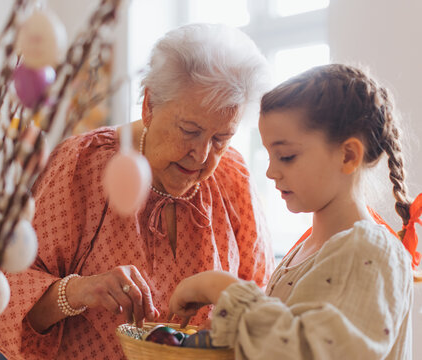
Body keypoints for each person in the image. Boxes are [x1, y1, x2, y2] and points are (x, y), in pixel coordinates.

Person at [0, 23, 275, 359]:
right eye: (190, 131)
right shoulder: (82, 166)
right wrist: (76, 291)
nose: (203, 155)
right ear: (148, 104)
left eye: (221, 139)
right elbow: (3, 296)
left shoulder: (232, 180)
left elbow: (259, 299)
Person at [169, 64, 422, 359]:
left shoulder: (369, 251)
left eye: (286, 156)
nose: (271, 171)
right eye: (270, 155)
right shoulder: (305, 251)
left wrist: (220, 287)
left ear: (348, 155)